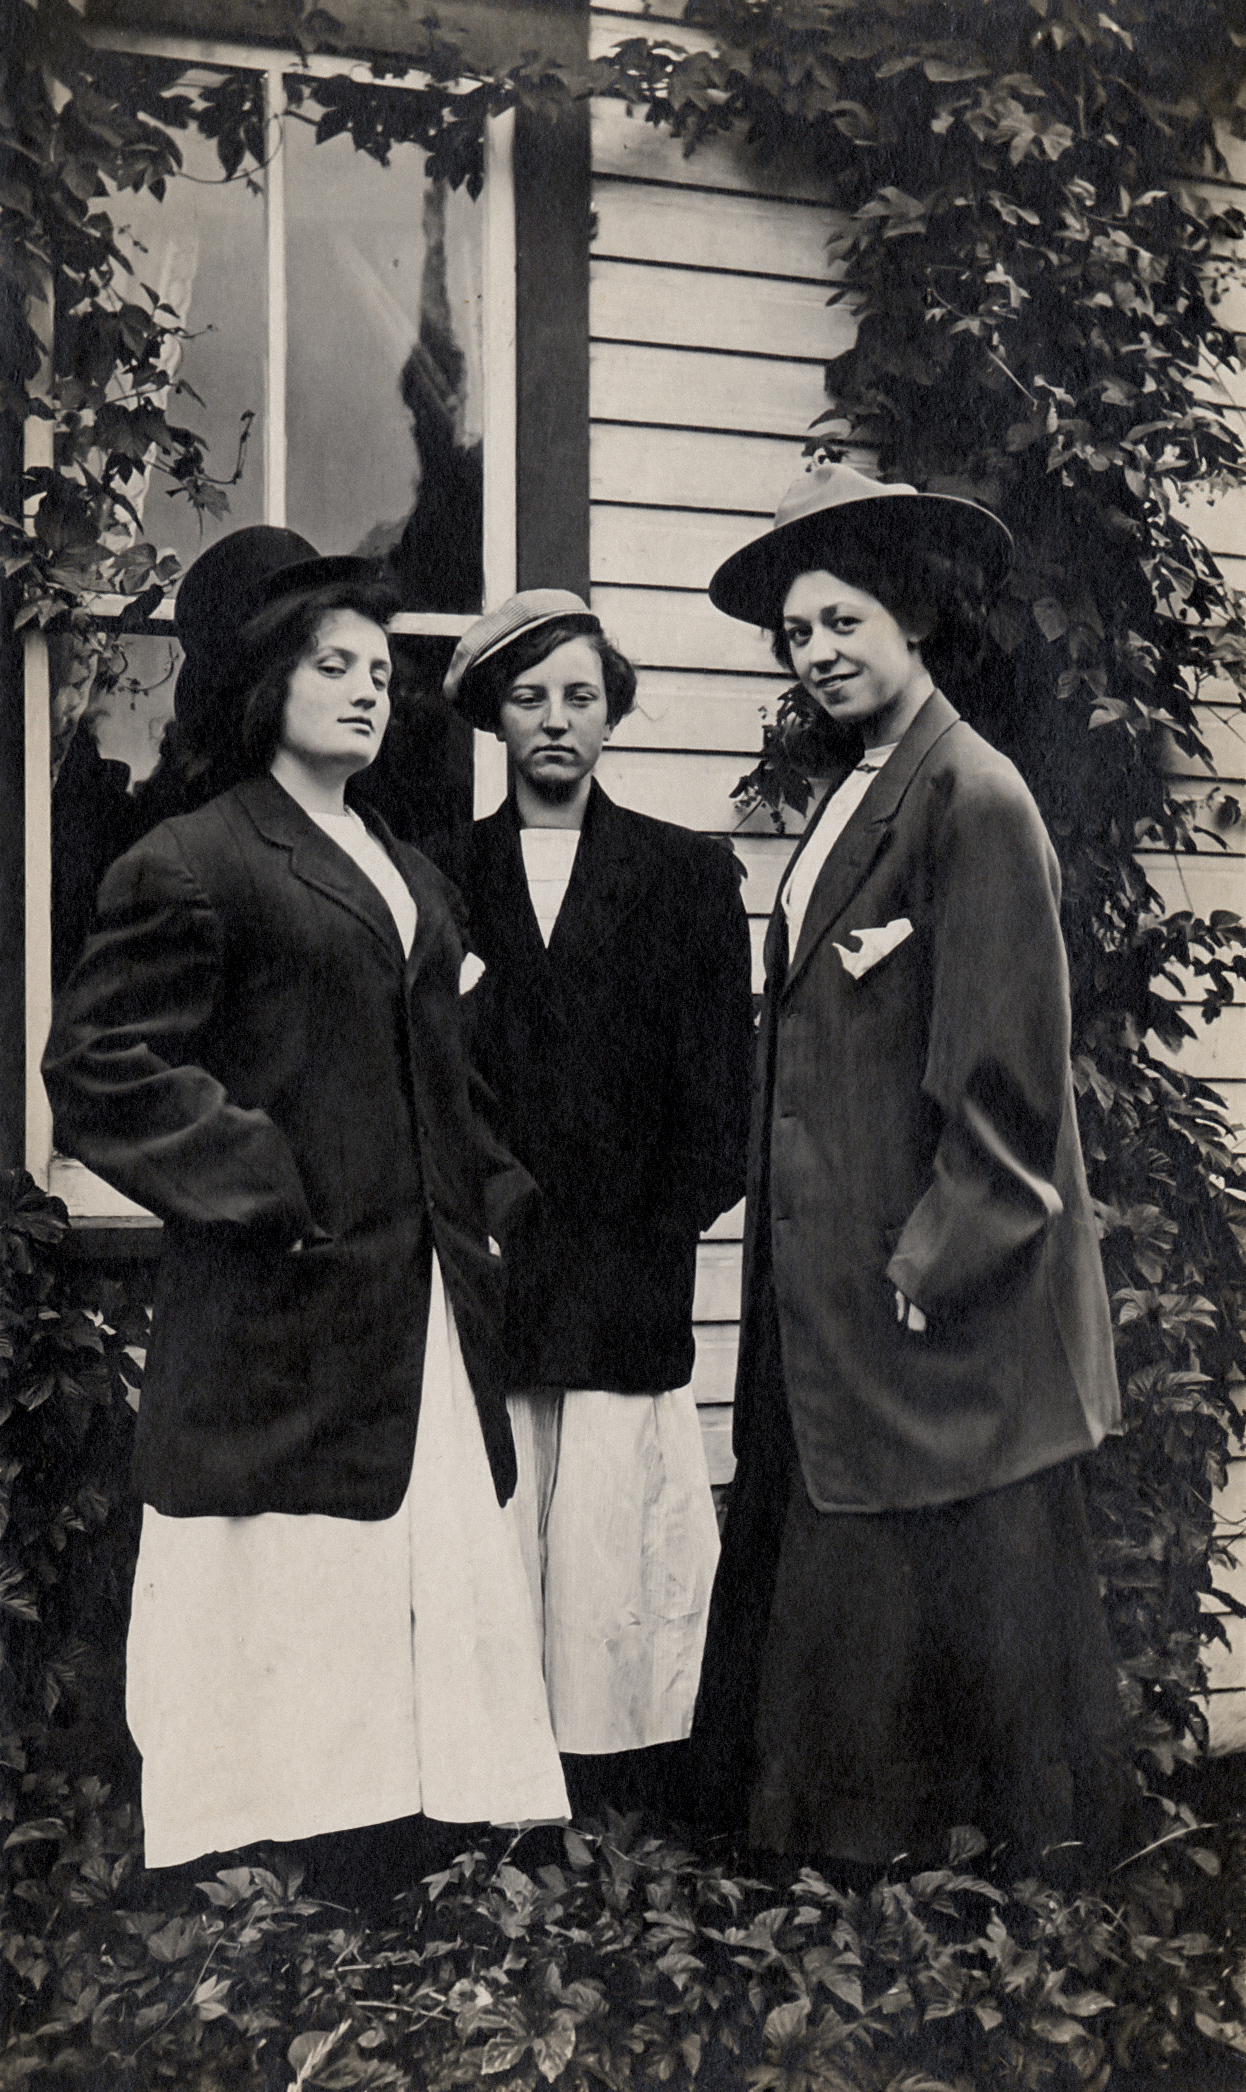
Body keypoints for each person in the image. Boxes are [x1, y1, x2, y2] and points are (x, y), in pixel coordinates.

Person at [42, 528, 568, 1898]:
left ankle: (415, 1830)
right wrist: (263, 1180)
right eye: (330, 665)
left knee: (417, 1551)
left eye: (380, 669)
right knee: (287, 1573)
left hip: (422, 1296)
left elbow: (450, 1076)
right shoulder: (195, 859)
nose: (365, 688)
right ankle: (278, 1850)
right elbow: (96, 1069)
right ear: (263, 681)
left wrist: (492, 1198)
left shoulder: (405, 869)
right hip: (285, 1291)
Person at [692, 463, 1132, 1877]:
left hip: (933, 1291)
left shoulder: (971, 795)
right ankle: (844, 1866)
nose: (816, 651)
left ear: (914, 621)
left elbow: (1006, 1073)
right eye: (796, 633)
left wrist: (938, 1253)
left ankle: (991, 1881)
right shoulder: (856, 791)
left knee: (972, 1573)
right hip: (832, 1281)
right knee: (850, 1566)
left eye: (842, 621)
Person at [444, 591, 755, 1819]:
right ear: (494, 719)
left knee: (619, 1538)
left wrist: (651, 1221)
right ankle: (507, 1780)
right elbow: (433, 1073)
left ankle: (628, 1783)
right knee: (507, 1516)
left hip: (628, 1265)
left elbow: (720, 1102)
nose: (555, 723)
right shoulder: (443, 873)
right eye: (528, 700)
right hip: (498, 1257)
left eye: (580, 696)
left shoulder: (682, 873)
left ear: (613, 712)